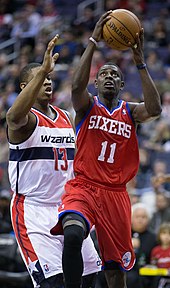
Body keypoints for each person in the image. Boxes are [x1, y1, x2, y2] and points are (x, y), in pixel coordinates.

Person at [50, 11, 162, 288]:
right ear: (96, 83)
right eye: (103, 74)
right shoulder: (87, 106)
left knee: (115, 270)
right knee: (74, 235)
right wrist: (93, 41)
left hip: (116, 194)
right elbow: (76, 86)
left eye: (114, 74)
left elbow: (155, 109)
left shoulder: (131, 112)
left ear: (122, 85)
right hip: (84, 186)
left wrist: (139, 62)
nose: (109, 77)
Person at [6, 35, 101, 288]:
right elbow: (13, 117)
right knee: (53, 282)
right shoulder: (25, 121)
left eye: (49, 77)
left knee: (90, 276)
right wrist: (42, 70)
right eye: (41, 78)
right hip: (33, 210)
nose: (47, 81)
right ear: (26, 86)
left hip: (65, 207)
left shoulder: (64, 117)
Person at [127, 203, 157, 288]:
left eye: (143, 217)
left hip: (145, 274)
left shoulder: (153, 238)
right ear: (131, 219)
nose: (140, 220)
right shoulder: (123, 235)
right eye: (137, 217)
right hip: (126, 272)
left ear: (148, 220)